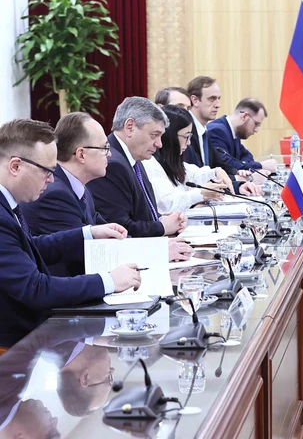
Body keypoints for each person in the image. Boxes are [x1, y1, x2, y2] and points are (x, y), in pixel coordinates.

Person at [0, 119, 141, 347]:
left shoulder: (8, 203)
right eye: (46, 171)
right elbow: (36, 289)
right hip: (12, 347)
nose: (52, 179)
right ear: (15, 166)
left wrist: (87, 234)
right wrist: (109, 281)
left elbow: (32, 249)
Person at [21, 112, 194, 265]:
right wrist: (157, 252)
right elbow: (89, 255)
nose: (109, 154)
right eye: (104, 148)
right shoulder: (56, 194)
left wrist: (158, 246)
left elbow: (115, 235)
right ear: (81, 154)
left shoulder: (79, 187)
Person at [87, 97, 188, 238]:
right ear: (130, 127)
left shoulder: (134, 159)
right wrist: (162, 227)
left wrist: (164, 219)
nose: (159, 144)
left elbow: (141, 214)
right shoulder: (111, 164)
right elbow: (119, 228)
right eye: (154, 135)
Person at [143, 105, 231, 213]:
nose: (189, 143)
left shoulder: (172, 162)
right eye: (186, 137)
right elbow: (166, 205)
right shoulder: (150, 164)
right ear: (170, 137)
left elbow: (193, 174)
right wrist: (200, 194)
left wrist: (215, 172)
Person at [183, 77, 262, 196]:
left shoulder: (204, 132)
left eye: (219, 99)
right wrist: (237, 179)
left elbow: (219, 166)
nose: (218, 105)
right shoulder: (185, 134)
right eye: (212, 99)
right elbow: (194, 180)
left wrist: (239, 180)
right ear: (195, 100)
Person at [206, 98, 278, 173]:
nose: (256, 130)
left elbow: (247, 155)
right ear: (244, 116)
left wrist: (243, 165)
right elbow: (226, 164)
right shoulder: (217, 131)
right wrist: (261, 165)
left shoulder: (233, 132)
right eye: (256, 124)